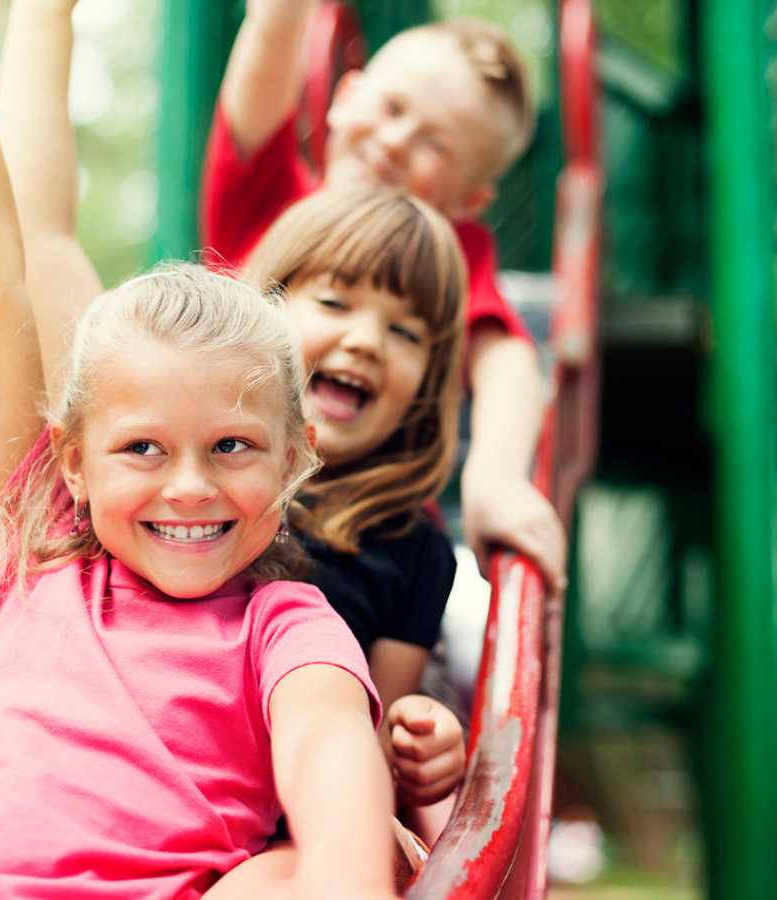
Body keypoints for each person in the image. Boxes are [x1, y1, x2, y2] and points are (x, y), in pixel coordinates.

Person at [0, 1, 401, 897]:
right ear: (73, 460)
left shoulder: (284, 627)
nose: (189, 486)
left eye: (231, 445)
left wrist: (347, 880)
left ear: (296, 455)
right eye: (143, 449)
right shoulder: (31, 560)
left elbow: (325, 741)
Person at [0, 0, 472, 829]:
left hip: (257, 832)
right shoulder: (148, 452)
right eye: (335, 302)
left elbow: (368, 732)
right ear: (269, 307)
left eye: (404, 331)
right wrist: (44, 20)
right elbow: (38, 243)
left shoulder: (406, 546)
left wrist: (419, 747)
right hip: (93, 800)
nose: (366, 341)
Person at [203, 2, 568, 594]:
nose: (396, 142)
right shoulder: (270, 196)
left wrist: (496, 475)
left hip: (359, 547)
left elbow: (507, 359)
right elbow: (269, 43)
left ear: (468, 202)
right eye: (393, 108)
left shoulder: (443, 259)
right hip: (211, 498)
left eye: (436, 145)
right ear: (344, 97)